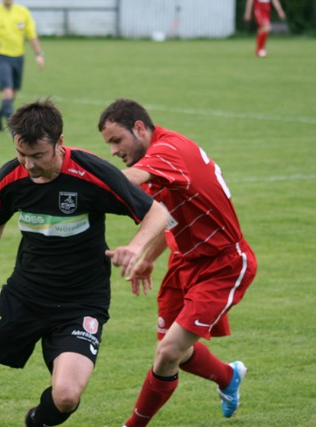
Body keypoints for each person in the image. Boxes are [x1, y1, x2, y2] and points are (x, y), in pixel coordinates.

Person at [0, 99, 170, 427]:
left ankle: (36, 421)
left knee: (66, 396)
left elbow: (157, 212)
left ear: (59, 142)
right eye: (21, 154)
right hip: (22, 295)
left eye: (38, 155)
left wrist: (135, 247)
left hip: (81, 303)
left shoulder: (92, 173)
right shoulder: (11, 177)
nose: (28, 164)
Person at [98, 99, 258, 426]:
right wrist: (148, 258)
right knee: (177, 353)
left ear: (139, 128)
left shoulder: (168, 150)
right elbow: (167, 215)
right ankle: (228, 376)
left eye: (117, 140)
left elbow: (126, 180)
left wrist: (75, 182)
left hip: (222, 264)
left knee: (168, 353)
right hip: (184, 260)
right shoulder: (158, 158)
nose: (113, 151)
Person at [0, 0, 45, 132]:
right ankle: (13, 129)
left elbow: (31, 35)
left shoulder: (23, 12)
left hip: (18, 57)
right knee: (7, 92)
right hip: (0, 56)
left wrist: (38, 54)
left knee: (12, 94)